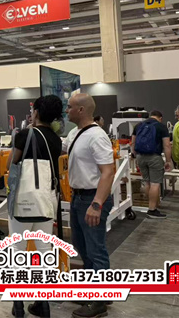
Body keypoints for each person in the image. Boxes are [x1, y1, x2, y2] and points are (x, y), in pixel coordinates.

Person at [7, 95, 63, 318]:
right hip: (47, 199)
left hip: (24, 198)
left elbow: (12, 162)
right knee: (44, 249)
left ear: (36, 112)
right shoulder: (56, 139)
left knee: (17, 250)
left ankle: (18, 304)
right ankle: (43, 304)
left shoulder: (25, 134)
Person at [64, 94, 115, 318]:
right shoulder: (75, 133)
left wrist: (97, 204)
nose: (66, 111)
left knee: (95, 250)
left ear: (81, 110)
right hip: (78, 197)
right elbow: (60, 147)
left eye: (69, 107)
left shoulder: (97, 136)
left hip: (92, 198)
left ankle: (99, 302)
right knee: (82, 247)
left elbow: (108, 172)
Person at [130, 110, 172, 219]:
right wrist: (168, 160)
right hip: (154, 157)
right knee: (155, 184)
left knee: (147, 182)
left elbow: (133, 142)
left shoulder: (138, 125)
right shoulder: (161, 127)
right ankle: (152, 210)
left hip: (140, 157)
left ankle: (152, 205)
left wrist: (134, 154)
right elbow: (167, 145)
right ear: (160, 118)